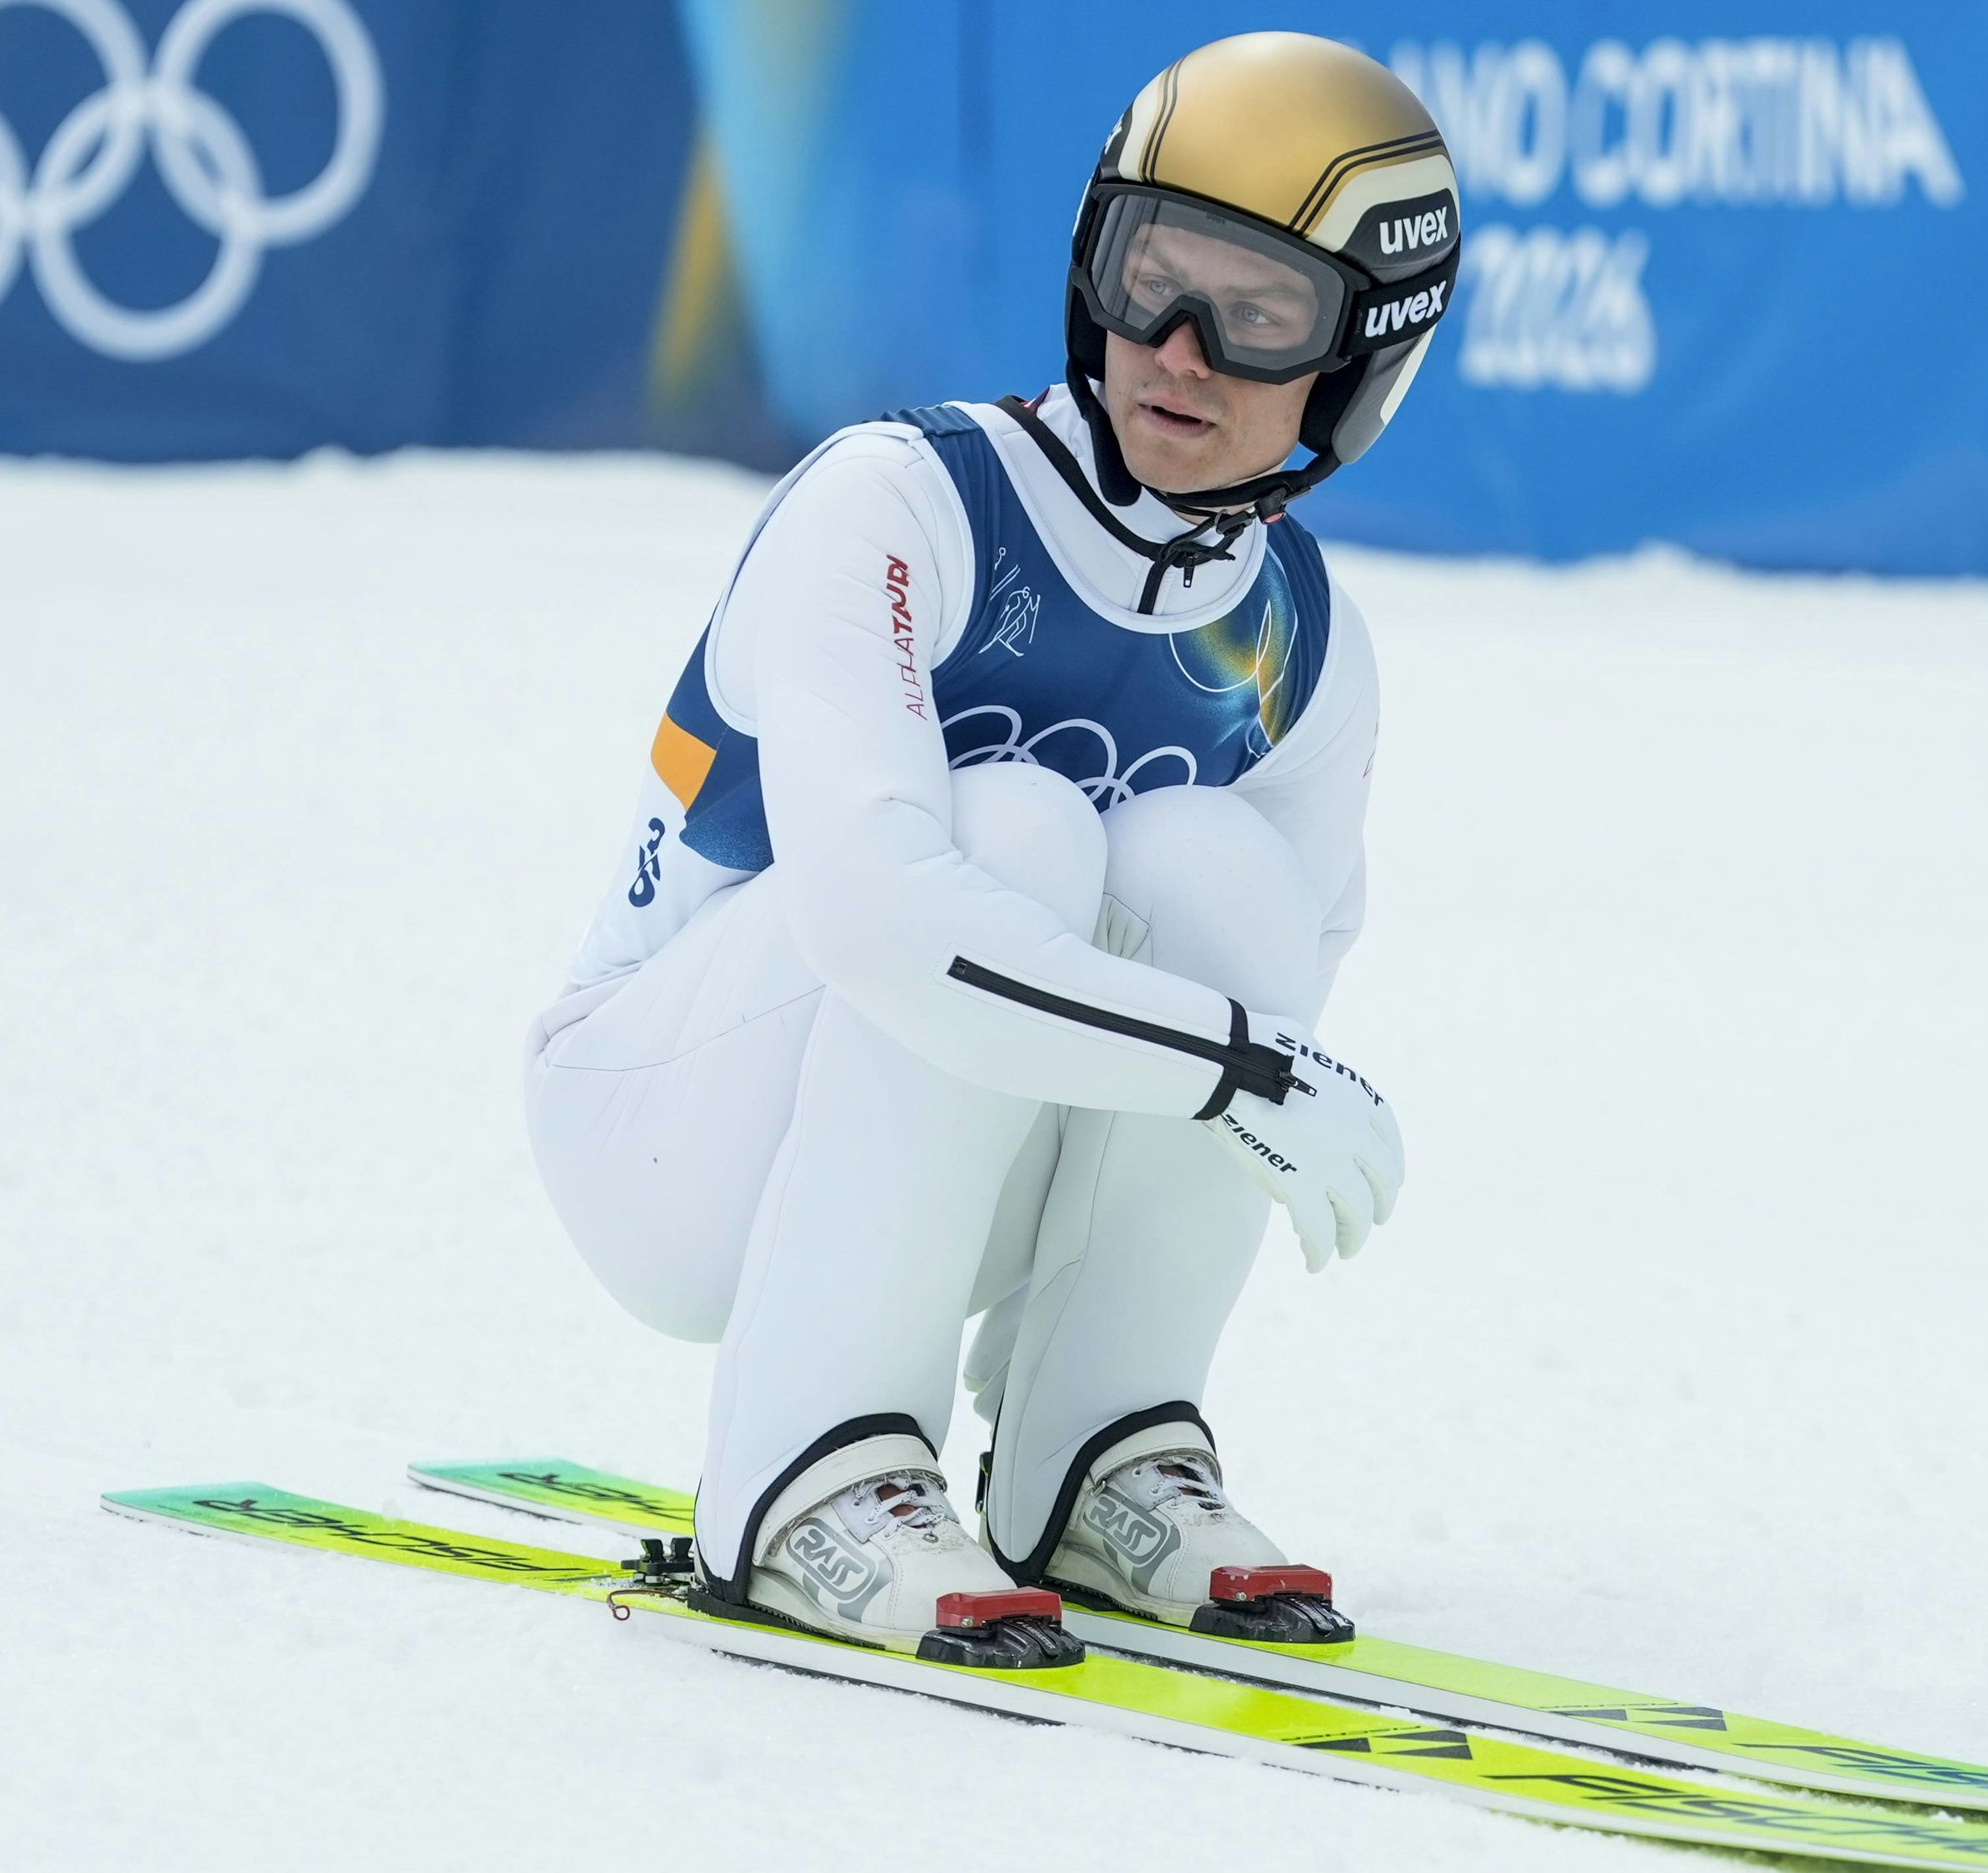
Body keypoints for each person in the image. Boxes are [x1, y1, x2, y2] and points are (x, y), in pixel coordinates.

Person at [523, 32, 1458, 1666]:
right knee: (1010, 829)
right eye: (1143, 272)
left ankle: (1096, 1447)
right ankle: (802, 1465)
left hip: (941, 1148)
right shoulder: (901, 504)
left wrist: (1237, 1063)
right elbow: (884, 922)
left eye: (1256, 315)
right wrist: (1236, 1071)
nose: (1171, 347)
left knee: (1215, 871)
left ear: (1361, 361)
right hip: (660, 1124)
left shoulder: (1299, 639)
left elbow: (1265, 976)